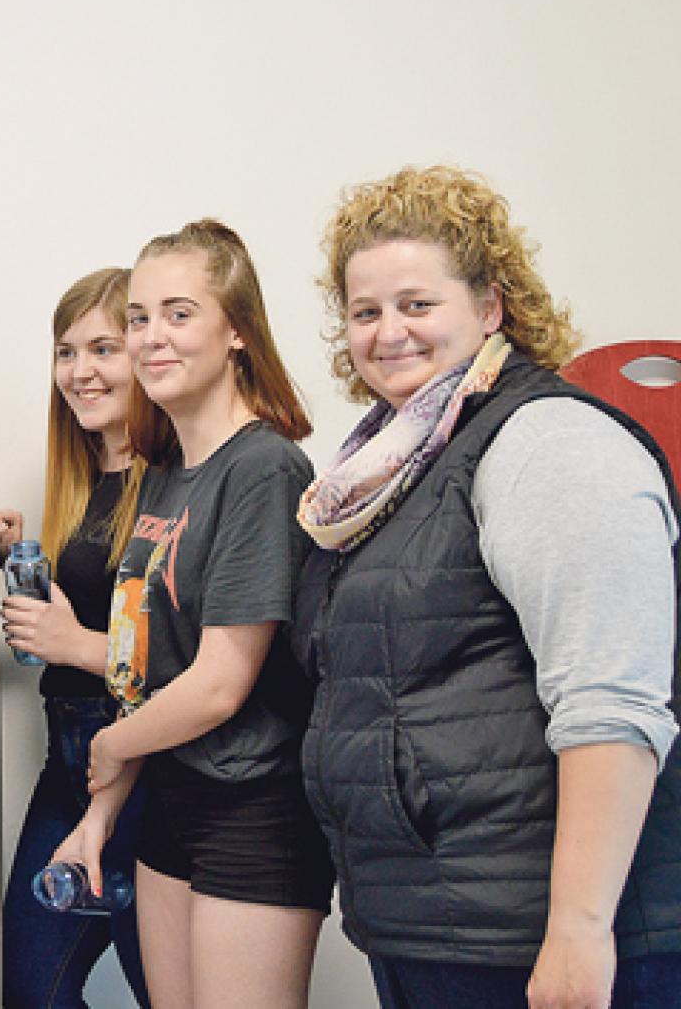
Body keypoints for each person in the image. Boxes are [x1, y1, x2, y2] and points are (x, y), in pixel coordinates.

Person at [294, 164, 681, 1009]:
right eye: (366, 311)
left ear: (491, 307)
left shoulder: (547, 442)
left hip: (544, 942)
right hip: (441, 928)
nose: (389, 331)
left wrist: (579, 932)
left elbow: (611, 703)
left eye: (416, 303)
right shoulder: (394, 464)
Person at [54, 220, 332, 1009]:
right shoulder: (166, 473)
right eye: (139, 318)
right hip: (170, 802)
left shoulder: (265, 467)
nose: (152, 337)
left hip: (253, 811)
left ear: (236, 329)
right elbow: (147, 671)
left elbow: (217, 685)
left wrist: (107, 745)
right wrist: (101, 813)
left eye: (179, 314)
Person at [0, 267, 152, 1008]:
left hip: (146, 770)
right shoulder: (85, 480)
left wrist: (77, 643)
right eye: (66, 352)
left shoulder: (178, 482)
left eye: (103, 349)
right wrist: (20, 564)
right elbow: (105, 603)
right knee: (30, 987)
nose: (81, 371)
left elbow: (200, 659)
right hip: (69, 759)